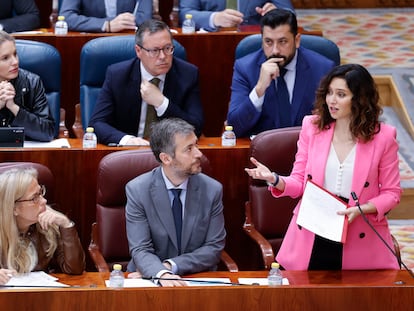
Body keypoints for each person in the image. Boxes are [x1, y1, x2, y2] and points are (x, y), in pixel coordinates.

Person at [245, 64, 402, 270]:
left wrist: (363, 209)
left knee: (355, 300)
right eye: (329, 93)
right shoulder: (312, 127)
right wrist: (274, 179)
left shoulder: (383, 136)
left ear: (360, 99)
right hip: (314, 229)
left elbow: (392, 193)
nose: (332, 100)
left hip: (358, 230)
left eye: (341, 94)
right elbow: (299, 182)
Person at [125, 118, 226, 287]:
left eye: (196, 145)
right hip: (148, 278)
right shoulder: (138, 190)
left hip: (196, 277)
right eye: (189, 149)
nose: (198, 154)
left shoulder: (212, 190)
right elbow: (140, 249)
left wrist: (168, 267)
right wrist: (160, 273)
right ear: (166, 158)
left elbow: (213, 248)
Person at [89, 19, 204, 146]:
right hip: (128, 153)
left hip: (170, 154)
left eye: (167, 48)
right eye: (154, 51)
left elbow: (196, 128)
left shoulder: (188, 74)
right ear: (138, 51)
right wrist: (128, 140)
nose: (162, 56)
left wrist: (162, 103)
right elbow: (97, 123)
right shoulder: (117, 75)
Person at [227, 9, 335, 138]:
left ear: (297, 40)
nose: (275, 50)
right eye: (268, 42)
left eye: (282, 41)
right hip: (263, 151)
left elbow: (337, 121)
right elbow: (234, 127)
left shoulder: (323, 68)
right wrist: (259, 89)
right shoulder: (245, 68)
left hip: (310, 149)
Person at [0, 168, 85, 285]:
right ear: (14, 208)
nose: (44, 201)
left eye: (41, 193)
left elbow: (75, 269)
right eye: (34, 198)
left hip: (42, 297)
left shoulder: (48, 223)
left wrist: (66, 224)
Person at [0, 31, 55, 141]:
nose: (15, 62)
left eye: (15, 54)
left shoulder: (32, 82)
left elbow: (48, 132)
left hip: (27, 153)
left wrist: (14, 107)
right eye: (5, 58)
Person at [179, 0, 295, 31]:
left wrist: (278, 14)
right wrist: (214, 18)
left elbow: (289, 13)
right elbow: (185, 14)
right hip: (210, 43)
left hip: (257, 43)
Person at [59, 0, 153, 33]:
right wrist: (106, 25)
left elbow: (144, 19)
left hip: (129, 40)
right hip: (90, 40)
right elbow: (66, 18)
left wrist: (117, 24)